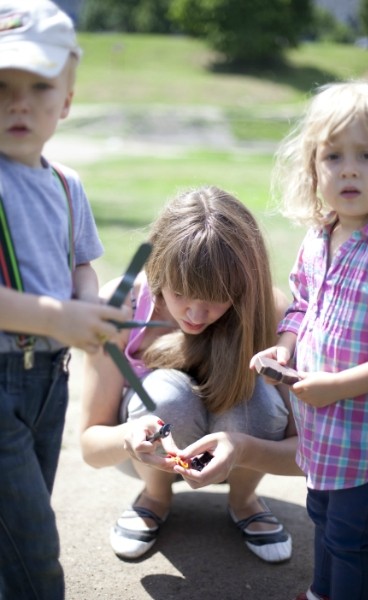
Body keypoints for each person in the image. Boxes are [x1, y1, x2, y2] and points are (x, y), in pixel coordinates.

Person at [80, 185, 302, 565]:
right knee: (164, 395)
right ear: (157, 268)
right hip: (146, 457)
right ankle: (156, 496)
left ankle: (243, 499)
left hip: (238, 453)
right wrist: (129, 436)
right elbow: (90, 445)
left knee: (257, 399)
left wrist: (244, 448)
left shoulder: (269, 308)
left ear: (244, 285)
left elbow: (308, 452)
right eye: (181, 293)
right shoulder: (121, 305)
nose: (196, 315)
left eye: (217, 297)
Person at [248, 81, 368, 600]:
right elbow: (302, 304)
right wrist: (285, 348)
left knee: (348, 535)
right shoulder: (319, 237)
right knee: (320, 515)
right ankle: (321, 592)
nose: (349, 169)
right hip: (318, 430)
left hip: (363, 436)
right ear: (313, 168)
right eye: (333, 156)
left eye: (367, 155)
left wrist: (336, 385)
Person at [0, 2, 126, 599]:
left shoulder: (66, 183)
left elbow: (82, 264)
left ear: (67, 101)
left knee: (19, 520)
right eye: (0, 86)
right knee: (34, 550)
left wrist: (89, 308)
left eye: (38, 86)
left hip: (49, 378)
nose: (18, 102)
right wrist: (60, 316)